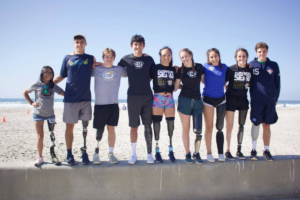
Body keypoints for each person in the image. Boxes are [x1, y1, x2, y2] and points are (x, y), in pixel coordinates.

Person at [54, 34, 96, 165]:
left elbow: (98, 69)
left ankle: (84, 151)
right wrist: (48, 84)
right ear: (74, 44)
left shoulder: (90, 58)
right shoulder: (67, 58)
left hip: (85, 99)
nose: (79, 44)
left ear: (85, 44)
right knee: (69, 128)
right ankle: (69, 153)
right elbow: (61, 76)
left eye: (82, 42)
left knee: (85, 128)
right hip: (70, 100)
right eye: (77, 42)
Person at [118, 34, 155, 164]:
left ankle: (149, 154)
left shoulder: (149, 59)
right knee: (134, 127)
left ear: (143, 46)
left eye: (140, 44)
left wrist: (142, 81)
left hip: (147, 97)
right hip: (132, 97)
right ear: (131, 46)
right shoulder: (125, 59)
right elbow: (115, 69)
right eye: (135, 44)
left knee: (147, 126)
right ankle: (133, 154)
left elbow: (152, 75)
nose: (138, 46)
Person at [92, 48, 127, 165]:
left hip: (113, 104)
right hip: (100, 105)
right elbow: (83, 70)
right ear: (103, 58)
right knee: (99, 130)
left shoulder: (119, 70)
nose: (109, 59)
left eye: (111, 57)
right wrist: (93, 63)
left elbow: (132, 71)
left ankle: (111, 153)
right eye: (107, 56)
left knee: (111, 130)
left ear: (114, 58)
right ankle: (96, 152)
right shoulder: (96, 69)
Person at [23, 66, 64, 166]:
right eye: (47, 73)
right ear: (42, 73)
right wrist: (31, 103)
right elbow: (25, 92)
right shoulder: (37, 84)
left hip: (50, 115)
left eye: (51, 73)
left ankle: (53, 155)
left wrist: (76, 95)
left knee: (52, 137)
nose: (49, 75)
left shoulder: (53, 85)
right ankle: (39, 157)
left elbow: (64, 93)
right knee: (40, 136)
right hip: (38, 114)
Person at [249, 42, 280, 161]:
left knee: (267, 125)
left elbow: (278, 83)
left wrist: (276, 98)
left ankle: (266, 149)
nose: (262, 53)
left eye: (264, 51)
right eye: (259, 52)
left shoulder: (273, 65)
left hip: (270, 100)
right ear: (256, 52)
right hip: (256, 100)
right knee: (255, 124)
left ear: (267, 51)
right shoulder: (251, 65)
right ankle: (253, 149)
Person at [174, 48, 205, 164]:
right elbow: (176, 88)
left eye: (186, 56)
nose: (184, 59)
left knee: (198, 130)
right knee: (186, 129)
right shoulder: (180, 70)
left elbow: (204, 81)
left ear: (191, 55)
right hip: (184, 100)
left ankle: (196, 153)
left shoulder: (199, 67)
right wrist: (173, 72)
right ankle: (187, 153)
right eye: (182, 57)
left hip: (197, 101)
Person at [224, 48, 252, 160]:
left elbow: (251, 84)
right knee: (229, 126)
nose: (241, 58)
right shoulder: (230, 69)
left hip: (243, 100)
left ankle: (239, 150)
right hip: (230, 100)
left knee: (241, 126)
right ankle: (227, 150)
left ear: (246, 57)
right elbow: (223, 83)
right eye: (239, 56)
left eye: (243, 56)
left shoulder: (250, 69)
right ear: (236, 57)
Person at [150, 46, 176, 163]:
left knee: (170, 124)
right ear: (160, 56)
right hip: (158, 98)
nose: (166, 57)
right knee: (156, 124)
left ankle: (170, 150)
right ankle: (157, 150)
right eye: (164, 55)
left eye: (169, 55)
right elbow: (146, 79)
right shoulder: (154, 68)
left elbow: (177, 84)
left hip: (170, 98)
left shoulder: (174, 69)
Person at [202, 48, 228, 162]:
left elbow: (235, 72)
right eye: (211, 57)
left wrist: (248, 65)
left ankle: (221, 153)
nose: (214, 58)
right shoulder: (204, 67)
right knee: (209, 127)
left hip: (221, 99)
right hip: (208, 99)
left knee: (220, 127)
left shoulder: (225, 67)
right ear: (208, 58)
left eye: (216, 56)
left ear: (219, 56)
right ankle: (209, 153)